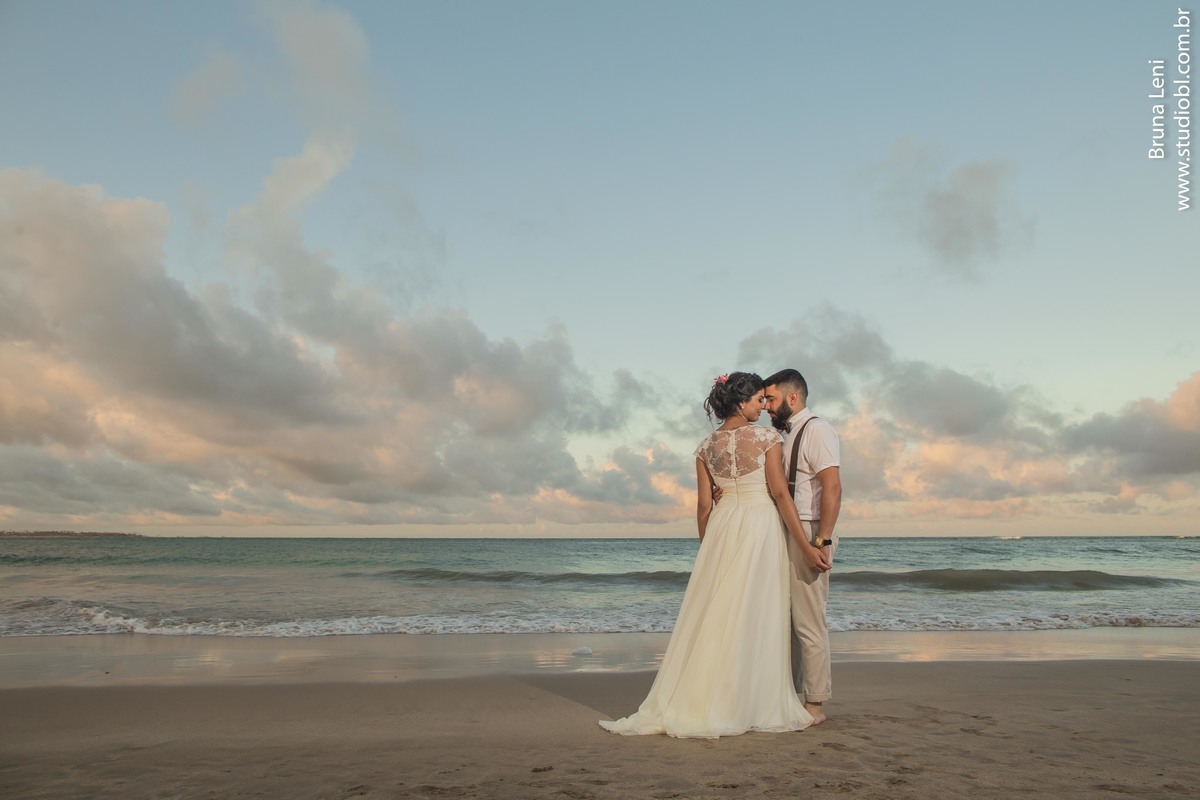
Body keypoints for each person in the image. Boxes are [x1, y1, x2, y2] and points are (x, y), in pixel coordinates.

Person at [599, 372, 826, 738]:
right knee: (757, 612)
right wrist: (805, 546)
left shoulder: (706, 447)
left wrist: (710, 547)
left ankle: (709, 697)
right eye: (757, 400)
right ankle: (748, 700)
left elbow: (704, 507)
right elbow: (781, 496)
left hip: (722, 528)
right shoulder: (767, 438)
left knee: (718, 614)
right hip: (759, 525)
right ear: (741, 402)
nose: (762, 407)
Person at [763, 368, 841, 726]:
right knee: (787, 620)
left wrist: (821, 540)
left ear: (792, 398)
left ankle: (815, 704)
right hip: (787, 529)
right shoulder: (784, 434)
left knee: (809, 622)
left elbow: (832, 487)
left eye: (771, 399)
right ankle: (792, 696)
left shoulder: (818, 430)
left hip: (810, 529)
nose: (766, 406)